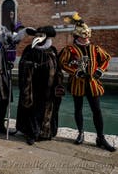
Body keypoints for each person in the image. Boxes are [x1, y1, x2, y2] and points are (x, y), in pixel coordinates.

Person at [59, 12, 116, 152]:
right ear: (77, 36)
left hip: (92, 83)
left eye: (87, 36)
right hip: (77, 83)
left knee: (97, 110)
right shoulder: (70, 49)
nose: (86, 38)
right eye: (83, 36)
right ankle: (81, 133)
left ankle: (100, 138)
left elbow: (107, 58)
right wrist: (75, 71)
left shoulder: (94, 48)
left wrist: (100, 71)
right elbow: (62, 63)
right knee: (78, 109)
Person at [16, 26, 64, 145]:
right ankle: (32, 133)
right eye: (36, 35)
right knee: (32, 109)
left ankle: (45, 132)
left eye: (41, 35)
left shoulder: (52, 50)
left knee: (47, 109)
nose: (38, 37)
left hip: (49, 87)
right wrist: (31, 65)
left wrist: (59, 83)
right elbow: (22, 65)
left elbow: (57, 68)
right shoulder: (29, 49)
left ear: (46, 37)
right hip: (33, 86)